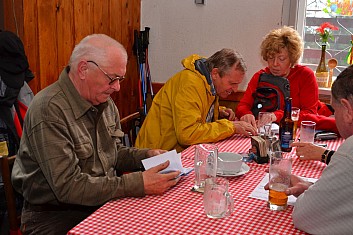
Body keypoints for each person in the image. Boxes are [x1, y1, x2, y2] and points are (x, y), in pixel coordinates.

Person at [11, 34, 181, 235]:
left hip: (100, 202)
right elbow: (68, 187)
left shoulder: (103, 101)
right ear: (83, 69)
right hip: (54, 216)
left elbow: (113, 153)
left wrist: (147, 155)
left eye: (120, 79)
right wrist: (138, 183)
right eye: (112, 79)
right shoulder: (49, 110)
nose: (117, 87)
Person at [265, 65, 353, 234]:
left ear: (347, 110)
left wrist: (310, 195)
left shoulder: (349, 152)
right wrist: (311, 188)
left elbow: (304, 216)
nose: (334, 117)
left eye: (335, 111)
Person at [135, 48, 257, 152]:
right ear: (215, 73)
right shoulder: (190, 83)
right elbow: (187, 134)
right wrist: (231, 127)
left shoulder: (207, 81)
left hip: (175, 152)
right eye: (232, 83)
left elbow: (193, 108)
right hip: (154, 156)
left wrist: (218, 111)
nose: (235, 90)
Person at [236, 26, 337, 133]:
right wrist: (246, 114)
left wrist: (277, 115)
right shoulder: (260, 76)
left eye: (281, 59)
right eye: (271, 58)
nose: (275, 64)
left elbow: (310, 113)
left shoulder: (305, 75)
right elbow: (243, 105)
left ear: (292, 58)